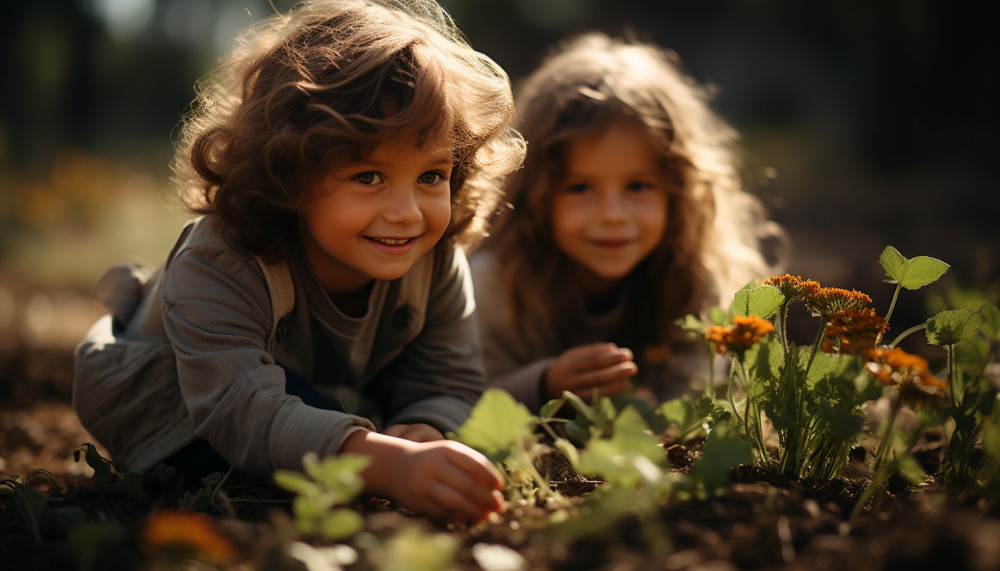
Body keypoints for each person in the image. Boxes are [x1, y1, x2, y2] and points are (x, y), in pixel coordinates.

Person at [73, 0, 525, 524]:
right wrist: (383, 460)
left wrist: (425, 426)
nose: (406, 213)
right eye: (368, 176)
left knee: (338, 419)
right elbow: (238, 408)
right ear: (288, 169)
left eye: (431, 176)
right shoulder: (222, 258)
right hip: (176, 392)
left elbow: (448, 374)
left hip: (305, 383)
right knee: (248, 470)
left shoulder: (432, 257)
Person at [470, 33, 785, 413]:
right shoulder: (496, 282)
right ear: (533, 194)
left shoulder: (692, 278)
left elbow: (695, 394)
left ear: (681, 192)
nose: (613, 214)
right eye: (580, 187)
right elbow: (466, 396)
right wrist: (546, 384)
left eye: (638, 186)